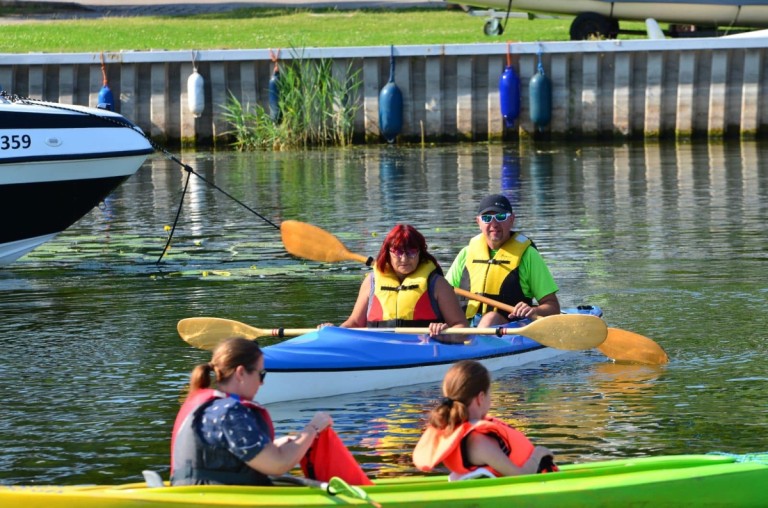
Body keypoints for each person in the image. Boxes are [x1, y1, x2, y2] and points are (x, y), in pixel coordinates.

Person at [170, 337, 370, 486]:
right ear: (241, 373)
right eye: (261, 374)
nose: (262, 383)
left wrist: (279, 444)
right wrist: (313, 429)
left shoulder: (211, 407)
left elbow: (224, 454)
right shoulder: (231, 412)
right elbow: (278, 464)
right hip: (216, 497)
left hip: (198, 489)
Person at [412, 360, 557, 478]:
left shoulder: (451, 430)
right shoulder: (479, 442)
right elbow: (521, 476)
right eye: (489, 393)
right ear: (481, 398)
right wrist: (538, 453)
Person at [327, 224, 468, 337]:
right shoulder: (371, 282)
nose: (404, 259)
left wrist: (444, 332)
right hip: (377, 347)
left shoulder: (437, 284)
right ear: (388, 253)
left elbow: (462, 328)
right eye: (398, 252)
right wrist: (332, 332)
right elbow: (355, 323)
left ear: (420, 252)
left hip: (424, 348)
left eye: (411, 252)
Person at [445, 194, 560, 327]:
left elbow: (553, 307)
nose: (494, 224)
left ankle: (478, 338)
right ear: (478, 222)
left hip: (509, 328)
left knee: (490, 318)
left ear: (511, 219)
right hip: (466, 327)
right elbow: (442, 298)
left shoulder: (529, 255)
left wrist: (533, 311)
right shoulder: (466, 254)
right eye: (487, 218)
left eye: (501, 217)